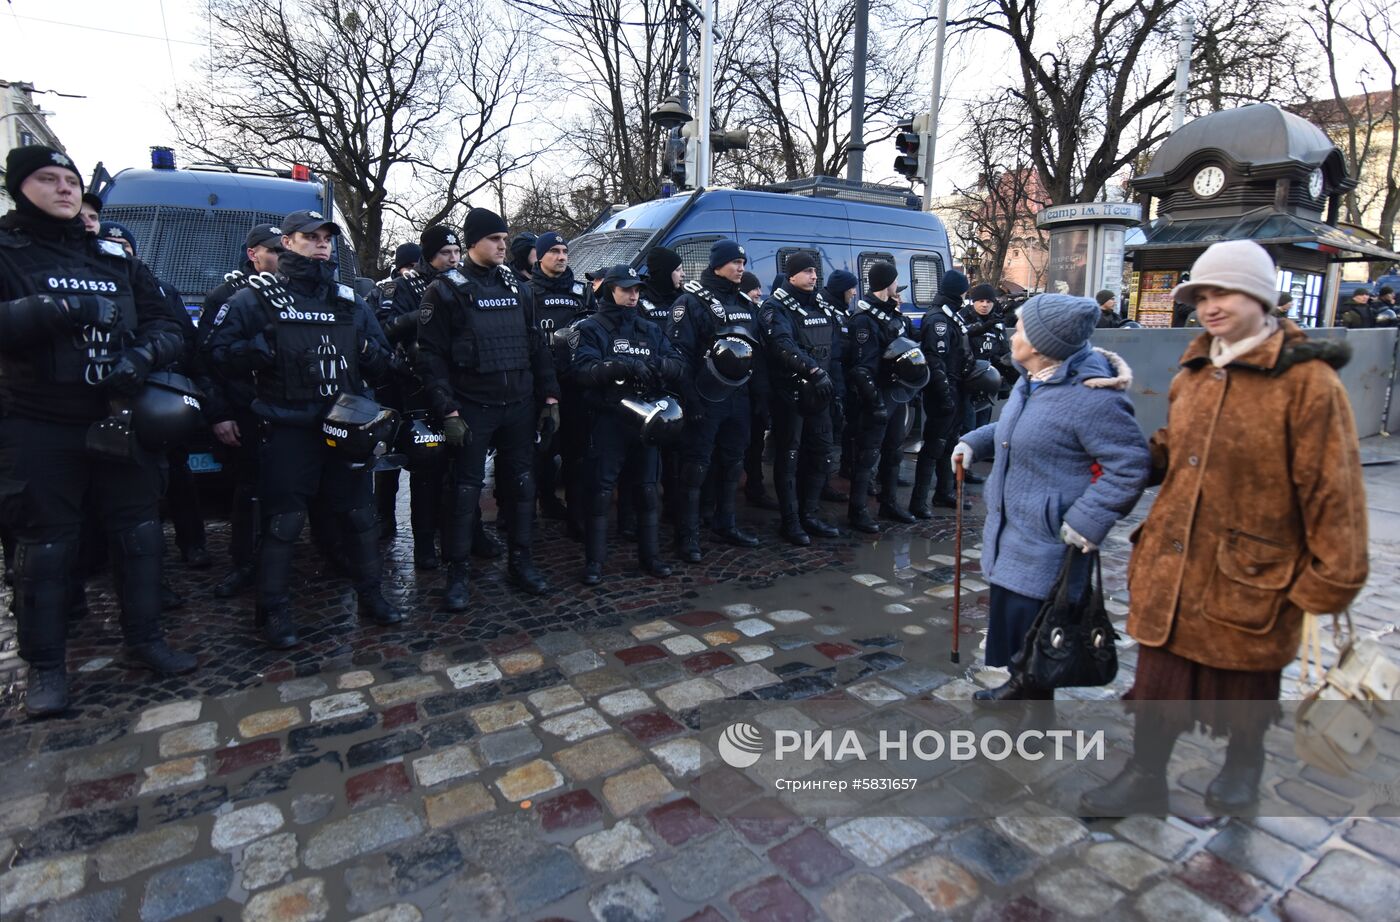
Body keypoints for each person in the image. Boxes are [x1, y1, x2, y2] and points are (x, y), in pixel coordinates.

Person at [1081, 240, 1368, 815]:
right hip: (1173, 560)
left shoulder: (1309, 383)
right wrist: (1113, 449)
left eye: (1226, 292)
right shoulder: (1195, 370)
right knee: (1158, 678)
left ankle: (1244, 763)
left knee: (1246, 683)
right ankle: (1145, 776)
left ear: (1262, 297)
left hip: (1252, 569)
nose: (1211, 306)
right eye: (1202, 295)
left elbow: (1333, 490)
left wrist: (1325, 585)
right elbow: (1173, 446)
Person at [0, 145, 197, 716]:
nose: (64, 189)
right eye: (48, 180)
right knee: (47, 548)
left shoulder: (113, 256)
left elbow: (168, 323)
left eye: (70, 180)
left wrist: (141, 358)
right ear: (21, 188)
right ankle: (46, 669)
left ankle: (147, 641)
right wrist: (56, 309)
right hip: (38, 423)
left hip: (118, 416)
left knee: (137, 535)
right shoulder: (8, 251)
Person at [208, 209, 405, 648]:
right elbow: (217, 355)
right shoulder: (255, 299)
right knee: (283, 523)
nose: (321, 244)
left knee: (358, 516)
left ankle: (371, 595)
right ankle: (273, 611)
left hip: (345, 427)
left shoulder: (349, 299)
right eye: (310, 237)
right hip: (289, 427)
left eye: (326, 237)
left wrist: (371, 353)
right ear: (288, 242)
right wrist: (258, 352)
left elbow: (385, 357)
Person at [951, 293, 1148, 703]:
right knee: (1018, 631)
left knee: (1040, 632)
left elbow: (1130, 465)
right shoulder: (1033, 380)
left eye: (1020, 327)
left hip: (1050, 542)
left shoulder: (1091, 397)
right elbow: (1016, 429)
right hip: (1013, 535)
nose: (1012, 333)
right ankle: (1019, 683)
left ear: (1042, 344)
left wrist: (1087, 521)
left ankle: (1035, 724)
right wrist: (974, 442)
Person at [417, 207, 560, 610]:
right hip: (471, 406)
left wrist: (549, 398)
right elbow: (430, 358)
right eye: (495, 239)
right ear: (472, 243)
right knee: (464, 493)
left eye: (504, 238)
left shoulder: (518, 286)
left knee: (520, 486)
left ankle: (521, 561)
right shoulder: (445, 290)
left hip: (517, 403)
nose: (503, 245)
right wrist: (447, 411)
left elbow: (536, 345)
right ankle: (457, 573)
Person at [572, 264, 686, 583]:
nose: (634, 295)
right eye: (627, 289)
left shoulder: (649, 328)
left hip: (646, 420)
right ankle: (595, 563)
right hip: (609, 419)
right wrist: (620, 366)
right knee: (600, 492)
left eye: (637, 289)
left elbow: (678, 363)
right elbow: (582, 371)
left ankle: (650, 558)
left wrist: (658, 365)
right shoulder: (592, 327)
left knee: (649, 490)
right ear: (610, 290)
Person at [198, 223, 284, 597]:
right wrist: (218, 413)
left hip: (288, 406)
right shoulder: (230, 295)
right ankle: (244, 563)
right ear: (254, 254)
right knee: (249, 489)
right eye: (275, 251)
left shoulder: (294, 292)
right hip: (245, 406)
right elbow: (204, 358)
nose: (283, 258)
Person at [668, 239, 766, 561]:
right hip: (706, 398)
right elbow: (679, 356)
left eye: (743, 262)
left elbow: (757, 353)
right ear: (717, 265)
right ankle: (688, 536)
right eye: (735, 262)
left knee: (732, 463)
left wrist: (758, 398)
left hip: (738, 397)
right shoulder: (691, 302)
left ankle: (726, 523)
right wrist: (691, 401)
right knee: (695, 467)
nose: (741, 268)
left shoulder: (744, 302)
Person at [375, 225, 459, 566]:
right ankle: (418, 541)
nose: (453, 259)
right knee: (423, 467)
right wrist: (425, 313)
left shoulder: (463, 284)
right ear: (429, 255)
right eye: (445, 254)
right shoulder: (403, 286)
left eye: (456, 252)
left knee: (456, 467)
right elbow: (384, 328)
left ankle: (456, 532)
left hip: (455, 384)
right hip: (411, 388)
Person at [760, 252, 842, 544]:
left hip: (820, 393)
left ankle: (810, 513)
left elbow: (834, 350)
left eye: (815, 272)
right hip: (790, 395)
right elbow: (782, 345)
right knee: (789, 458)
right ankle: (791, 521)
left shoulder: (822, 305)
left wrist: (835, 389)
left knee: (821, 456)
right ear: (792, 274)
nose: (814, 276)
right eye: (808, 271)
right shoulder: (776, 307)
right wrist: (812, 370)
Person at [845, 261, 927, 530]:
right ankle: (857, 511)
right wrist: (875, 402)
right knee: (868, 455)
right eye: (894, 282)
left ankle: (889, 503)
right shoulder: (863, 320)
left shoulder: (893, 314)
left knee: (893, 452)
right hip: (878, 395)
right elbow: (861, 367)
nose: (897, 287)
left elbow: (910, 344)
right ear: (886, 284)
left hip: (897, 393)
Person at [529, 231, 593, 527]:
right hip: (539, 385)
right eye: (554, 250)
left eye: (565, 250)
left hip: (575, 383)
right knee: (540, 451)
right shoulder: (525, 292)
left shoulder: (582, 292)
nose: (562, 256)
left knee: (576, 452)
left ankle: (578, 513)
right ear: (540, 256)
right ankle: (541, 503)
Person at [912, 270, 970, 515]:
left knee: (950, 443)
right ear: (958, 290)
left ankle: (944, 492)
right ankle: (919, 500)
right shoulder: (938, 318)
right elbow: (935, 360)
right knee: (934, 446)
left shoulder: (952, 315)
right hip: (943, 390)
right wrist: (945, 393)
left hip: (956, 387)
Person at [818, 269, 858, 503]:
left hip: (841, 380)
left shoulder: (841, 312)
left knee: (834, 434)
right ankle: (822, 484)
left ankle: (828, 478)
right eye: (851, 288)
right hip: (831, 382)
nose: (854, 292)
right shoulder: (830, 313)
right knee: (825, 438)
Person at [959, 282, 1011, 436]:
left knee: (983, 426)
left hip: (988, 383)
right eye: (981, 301)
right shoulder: (962, 319)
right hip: (967, 383)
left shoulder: (997, 323)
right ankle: (963, 459)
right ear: (973, 301)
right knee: (968, 427)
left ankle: (976, 457)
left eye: (988, 302)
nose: (984, 305)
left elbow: (1004, 353)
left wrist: (1005, 382)